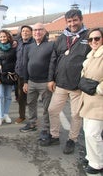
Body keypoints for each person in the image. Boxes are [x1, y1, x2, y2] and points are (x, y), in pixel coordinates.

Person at [40, 9, 91, 155]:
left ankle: (72, 140)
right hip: (61, 83)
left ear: (81, 20)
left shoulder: (89, 37)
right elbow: (53, 60)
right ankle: (54, 135)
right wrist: (50, 79)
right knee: (52, 110)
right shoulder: (62, 38)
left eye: (75, 20)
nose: (72, 24)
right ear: (66, 22)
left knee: (75, 115)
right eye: (69, 21)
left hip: (77, 86)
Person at [19, 23, 54, 143]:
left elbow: (52, 65)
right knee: (31, 104)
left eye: (40, 30)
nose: (37, 32)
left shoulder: (51, 45)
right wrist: (25, 82)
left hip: (45, 83)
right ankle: (32, 123)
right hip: (31, 82)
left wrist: (51, 80)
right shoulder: (29, 47)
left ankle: (46, 129)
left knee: (46, 107)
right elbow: (25, 65)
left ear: (44, 32)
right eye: (35, 30)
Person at [78, 28, 103, 174]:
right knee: (88, 130)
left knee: (93, 133)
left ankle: (97, 163)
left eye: (97, 38)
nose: (93, 41)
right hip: (88, 99)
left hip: (99, 101)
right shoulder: (91, 55)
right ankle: (91, 156)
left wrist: (98, 90)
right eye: (90, 39)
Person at [0, 30, 16, 126]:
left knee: (8, 97)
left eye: (4, 36)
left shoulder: (13, 48)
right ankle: (0, 116)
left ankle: (5, 114)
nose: (3, 38)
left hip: (9, 76)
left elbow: (15, 61)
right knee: (0, 96)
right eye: (1, 37)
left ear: (8, 37)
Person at [14, 25, 34, 124]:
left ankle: (33, 118)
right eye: (23, 31)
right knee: (21, 97)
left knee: (31, 98)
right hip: (20, 75)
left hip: (31, 75)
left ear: (31, 33)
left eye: (27, 31)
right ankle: (22, 116)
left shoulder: (34, 43)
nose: (25, 33)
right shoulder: (19, 43)